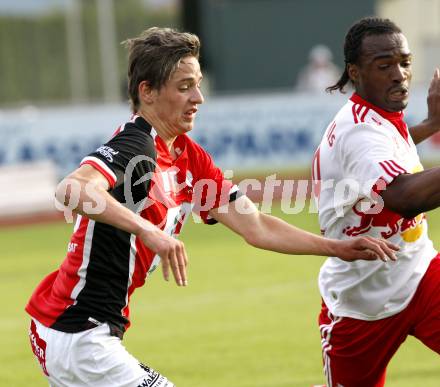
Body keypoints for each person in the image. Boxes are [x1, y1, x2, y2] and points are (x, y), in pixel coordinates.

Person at [26, 27, 397, 387]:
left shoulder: (188, 158)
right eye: (184, 87)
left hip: (78, 332)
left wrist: (337, 249)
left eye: (198, 84)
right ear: (148, 92)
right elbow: (72, 190)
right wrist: (147, 229)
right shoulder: (136, 146)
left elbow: (257, 226)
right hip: (77, 333)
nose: (198, 98)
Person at [312, 17, 440, 387]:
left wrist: (431, 124)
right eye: (385, 66)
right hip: (360, 305)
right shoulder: (359, 132)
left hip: (420, 275)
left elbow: (392, 146)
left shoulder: (379, 115)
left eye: (404, 62)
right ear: (356, 71)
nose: (399, 74)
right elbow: (403, 196)